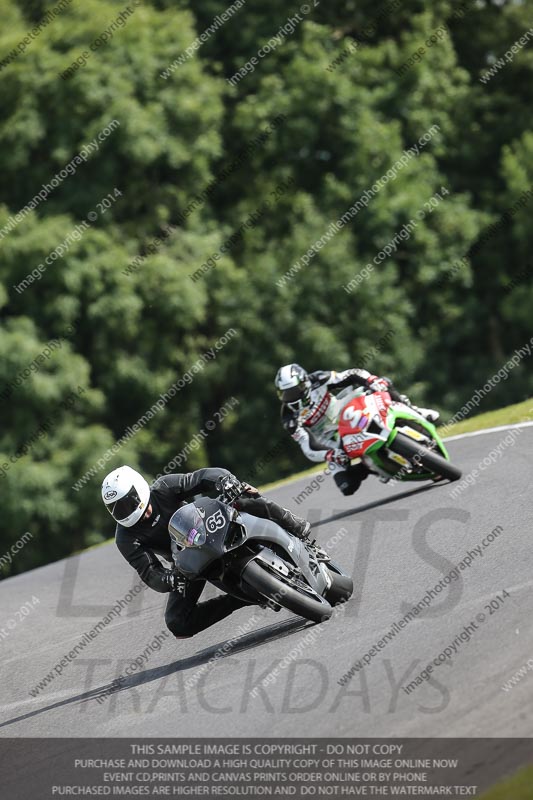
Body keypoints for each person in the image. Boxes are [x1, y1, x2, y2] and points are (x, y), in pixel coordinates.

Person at [101, 465, 310, 638]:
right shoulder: (125, 538)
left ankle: (292, 523)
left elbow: (200, 477)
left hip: (212, 523)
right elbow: (148, 572)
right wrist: (169, 580)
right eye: (118, 508)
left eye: (130, 501)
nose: (127, 510)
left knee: (242, 495)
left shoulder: (163, 487)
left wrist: (224, 481)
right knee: (177, 623)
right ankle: (239, 598)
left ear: (139, 488)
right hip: (188, 561)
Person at [275, 363, 439, 496]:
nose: (290, 397)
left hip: (345, 410)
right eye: (285, 394)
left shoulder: (319, 379)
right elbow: (307, 446)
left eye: (294, 391)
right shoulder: (289, 417)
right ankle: (370, 465)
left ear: (304, 384)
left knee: (384, 383)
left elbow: (351, 374)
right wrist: (331, 454)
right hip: (331, 439)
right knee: (347, 487)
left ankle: (415, 411)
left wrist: (371, 380)